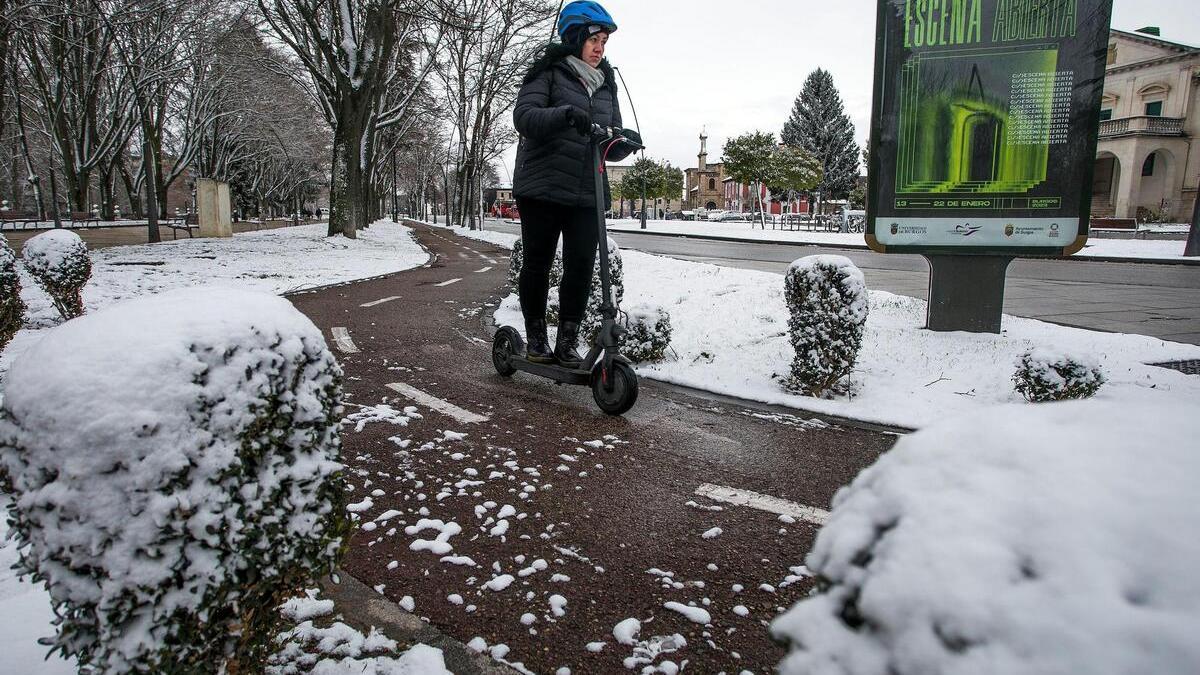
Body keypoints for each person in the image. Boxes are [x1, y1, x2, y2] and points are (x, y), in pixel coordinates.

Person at [511, 0, 641, 367]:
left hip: (588, 188)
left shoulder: (606, 85)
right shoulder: (549, 73)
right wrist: (565, 115)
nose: (600, 48)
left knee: (581, 264)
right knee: (538, 262)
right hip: (543, 186)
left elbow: (606, 139)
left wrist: (621, 142)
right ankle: (536, 340)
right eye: (594, 40)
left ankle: (566, 342)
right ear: (574, 38)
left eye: (604, 41)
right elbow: (525, 117)